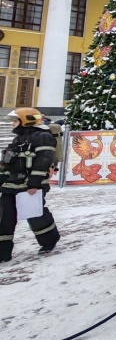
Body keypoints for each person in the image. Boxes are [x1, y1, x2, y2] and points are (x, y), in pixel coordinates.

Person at [0, 108, 60, 263]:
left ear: (26, 120)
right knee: (4, 216)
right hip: (12, 184)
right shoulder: (18, 139)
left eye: (15, 120)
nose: (13, 124)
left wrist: (34, 183)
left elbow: (43, 161)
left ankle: (49, 241)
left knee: (35, 215)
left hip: (31, 185)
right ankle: (2, 253)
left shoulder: (43, 137)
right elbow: (8, 163)